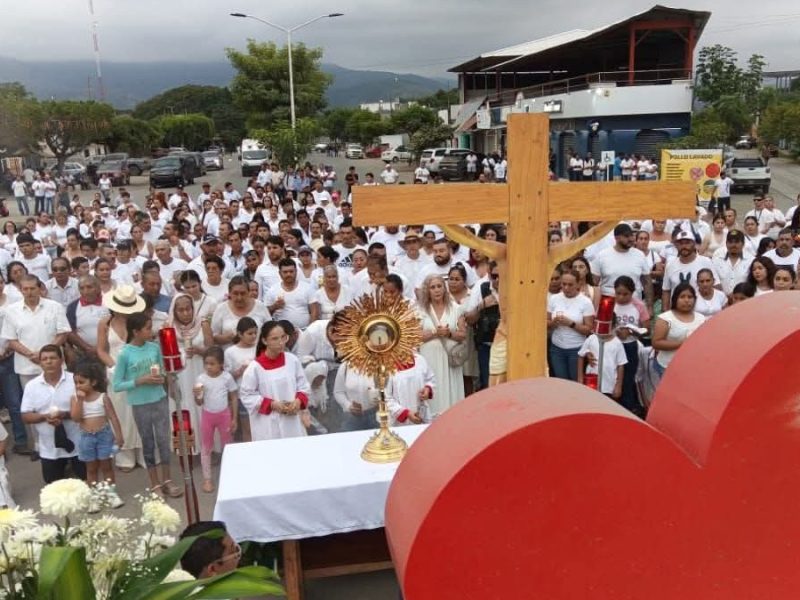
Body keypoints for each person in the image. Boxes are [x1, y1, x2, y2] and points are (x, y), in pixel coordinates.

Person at [112, 312, 183, 498]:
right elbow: (117, 385)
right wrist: (140, 380)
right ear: (135, 332)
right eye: (148, 328)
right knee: (148, 442)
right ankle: (154, 483)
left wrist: (164, 380)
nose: (151, 331)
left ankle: (167, 479)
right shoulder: (125, 353)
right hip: (140, 404)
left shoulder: (154, 348)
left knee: (163, 440)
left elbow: (163, 370)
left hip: (159, 399)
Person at [21, 345, 85, 483]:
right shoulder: (32, 386)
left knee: (85, 481)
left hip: (78, 443)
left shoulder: (75, 380)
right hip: (49, 449)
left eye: (53, 358)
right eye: (44, 359)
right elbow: (25, 416)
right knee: (53, 485)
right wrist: (44, 417)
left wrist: (65, 415)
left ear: (61, 360)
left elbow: (88, 408)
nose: (49, 362)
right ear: (40, 362)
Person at [239, 321, 311, 440]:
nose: (281, 342)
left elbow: (303, 386)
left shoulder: (292, 360)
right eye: (275, 339)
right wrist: (272, 404)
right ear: (264, 341)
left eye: (283, 337)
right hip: (268, 426)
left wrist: (298, 401)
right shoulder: (255, 368)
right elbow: (246, 396)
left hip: (292, 422)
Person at [69, 357, 124, 510]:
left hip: (104, 435)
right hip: (86, 437)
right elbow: (76, 418)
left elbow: (113, 417)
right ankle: (93, 497)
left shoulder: (102, 397)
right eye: (75, 383)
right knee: (91, 469)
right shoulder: (74, 399)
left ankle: (111, 494)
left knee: (106, 466)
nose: (78, 386)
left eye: (81, 382)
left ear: (93, 382)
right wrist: (80, 401)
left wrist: (119, 436)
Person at [417, 274, 467, 415]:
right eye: (432, 287)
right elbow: (414, 336)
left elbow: (463, 334)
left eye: (439, 286)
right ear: (427, 291)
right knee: (433, 389)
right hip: (429, 359)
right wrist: (435, 333)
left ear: (444, 288)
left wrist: (449, 333)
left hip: (450, 359)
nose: (437, 290)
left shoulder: (456, 308)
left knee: (451, 396)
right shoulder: (420, 311)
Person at [168, 293, 213, 444]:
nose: (186, 313)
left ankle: (208, 446)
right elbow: (166, 357)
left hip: (201, 371)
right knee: (185, 406)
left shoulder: (203, 324)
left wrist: (199, 351)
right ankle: (189, 446)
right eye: (181, 310)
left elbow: (212, 351)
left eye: (188, 309)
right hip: (181, 375)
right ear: (174, 311)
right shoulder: (169, 328)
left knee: (203, 403)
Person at [194, 346, 237, 493]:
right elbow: (199, 402)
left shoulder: (227, 377)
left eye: (212, 364)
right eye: (206, 363)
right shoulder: (201, 379)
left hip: (224, 416)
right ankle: (207, 479)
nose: (208, 367)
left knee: (228, 446)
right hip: (208, 416)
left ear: (221, 364)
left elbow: (234, 397)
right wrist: (196, 395)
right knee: (206, 447)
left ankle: (230, 475)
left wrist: (234, 418)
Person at [547, 270, 595, 381]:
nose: (566, 288)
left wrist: (571, 324)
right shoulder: (554, 299)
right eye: (563, 284)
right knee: (561, 381)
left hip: (577, 349)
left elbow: (588, 330)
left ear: (578, 284)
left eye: (570, 285)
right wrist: (554, 322)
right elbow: (546, 322)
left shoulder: (585, 302)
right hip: (557, 348)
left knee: (575, 382)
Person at [652, 283, 706, 377]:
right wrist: (683, 344)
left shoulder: (701, 318)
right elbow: (656, 343)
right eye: (682, 297)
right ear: (675, 299)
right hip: (668, 366)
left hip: (694, 365)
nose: (686, 300)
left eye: (690, 297)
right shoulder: (665, 318)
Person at [224, 317, 258, 442]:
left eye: (255, 333)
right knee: (247, 429)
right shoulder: (230, 352)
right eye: (250, 333)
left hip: (260, 393)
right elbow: (226, 377)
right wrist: (240, 371)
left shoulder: (260, 348)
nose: (253, 336)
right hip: (242, 395)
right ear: (240, 334)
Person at [210, 276, 270, 347]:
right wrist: (226, 338)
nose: (239, 298)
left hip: (257, 352)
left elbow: (270, 330)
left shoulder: (260, 306)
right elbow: (213, 336)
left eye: (243, 293)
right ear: (229, 293)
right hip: (229, 352)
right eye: (235, 293)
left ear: (248, 292)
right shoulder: (221, 309)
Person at [263, 258, 318, 330]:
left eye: (291, 271)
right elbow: (265, 314)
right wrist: (275, 306)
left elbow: (314, 311)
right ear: (280, 273)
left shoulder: (307, 288)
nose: (288, 274)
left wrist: (310, 330)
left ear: (296, 272)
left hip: (304, 330)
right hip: (282, 332)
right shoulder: (272, 290)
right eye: (285, 272)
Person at [577, 322, 626, 402]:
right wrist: (580, 378)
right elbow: (580, 355)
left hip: (609, 385)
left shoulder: (617, 343)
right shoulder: (591, 338)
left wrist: (618, 386)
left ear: (613, 326)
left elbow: (621, 365)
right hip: (592, 383)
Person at [386, 352, 436, 425]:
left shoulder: (420, 359)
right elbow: (386, 398)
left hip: (422, 413)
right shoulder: (387, 366)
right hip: (400, 420)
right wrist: (406, 413)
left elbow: (430, 379)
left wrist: (427, 389)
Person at [334, 358, 379, 432]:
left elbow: (387, 389)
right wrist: (348, 405)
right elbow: (338, 392)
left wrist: (379, 398)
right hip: (352, 417)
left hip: (375, 415)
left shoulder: (377, 365)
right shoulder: (345, 367)